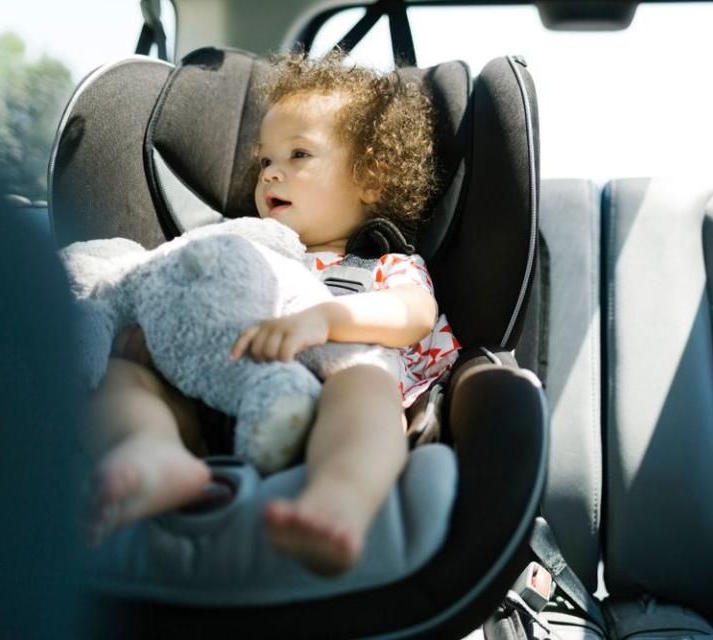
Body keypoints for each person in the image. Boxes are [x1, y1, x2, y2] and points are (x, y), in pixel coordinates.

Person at [86, 51, 460, 576]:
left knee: (368, 384)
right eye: (265, 161)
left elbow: (414, 313)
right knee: (129, 375)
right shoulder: (244, 247)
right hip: (226, 388)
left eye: (299, 155)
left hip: (334, 395)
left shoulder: (383, 263)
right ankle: (150, 452)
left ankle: (340, 499)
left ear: (371, 176)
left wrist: (326, 320)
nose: (271, 173)